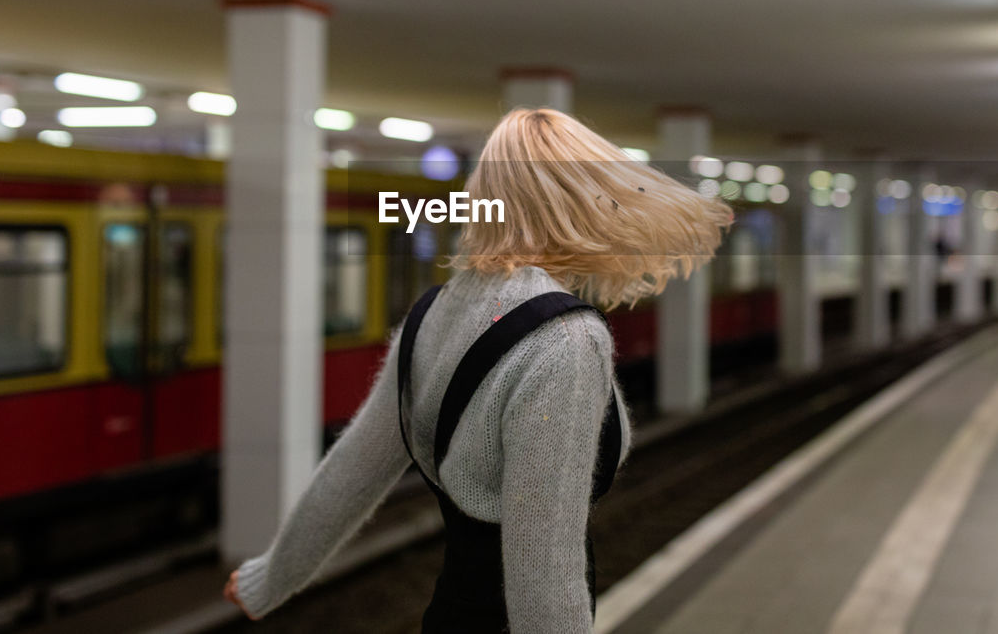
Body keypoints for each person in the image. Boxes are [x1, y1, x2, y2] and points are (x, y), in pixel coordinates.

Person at [223, 107, 731, 633]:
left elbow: (352, 470)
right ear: (579, 201)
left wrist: (269, 579)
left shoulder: (433, 311)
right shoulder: (566, 340)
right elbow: (544, 566)